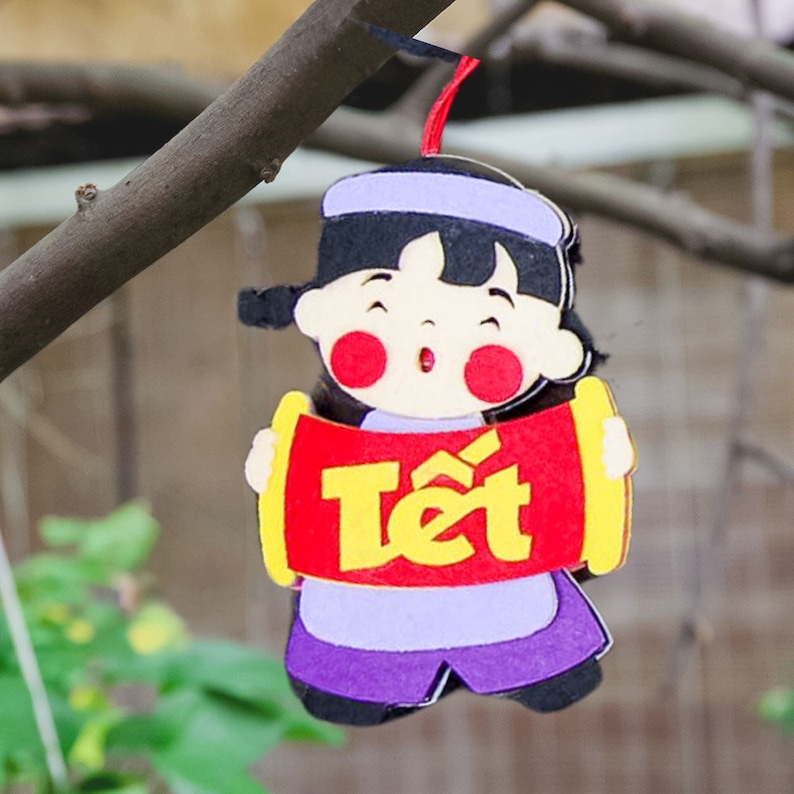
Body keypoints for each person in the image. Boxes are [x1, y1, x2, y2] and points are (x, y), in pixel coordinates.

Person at [239, 155, 636, 725]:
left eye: (487, 324)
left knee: (518, 625)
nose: (427, 336)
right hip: (361, 583)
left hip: (502, 579)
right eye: (381, 306)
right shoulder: (327, 433)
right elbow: (296, 501)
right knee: (359, 645)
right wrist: (275, 471)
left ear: (548, 349)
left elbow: (575, 493)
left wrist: (603, 464)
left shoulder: (532, 437)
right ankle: (352, 682)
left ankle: (533, 667)